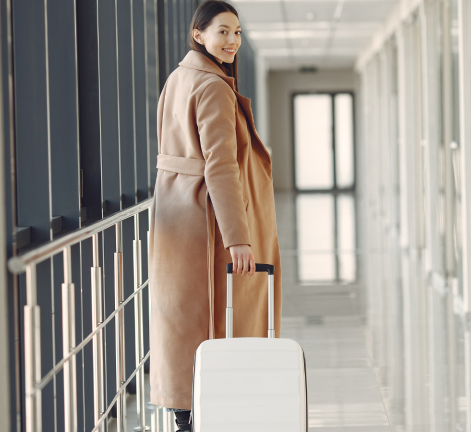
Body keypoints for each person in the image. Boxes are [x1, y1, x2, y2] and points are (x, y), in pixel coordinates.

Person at [148, 1, 282, 429]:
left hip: (176, 212)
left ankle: (183, 408)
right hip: (206, 219)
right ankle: (208, 406)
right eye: (222, 31)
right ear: (198, 34)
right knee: (216, 318)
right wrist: (238, 237)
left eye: (237, 32)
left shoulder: (177, 79)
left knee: (181, 317)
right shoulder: (212, 87)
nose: (232, 41)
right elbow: (220, 165)